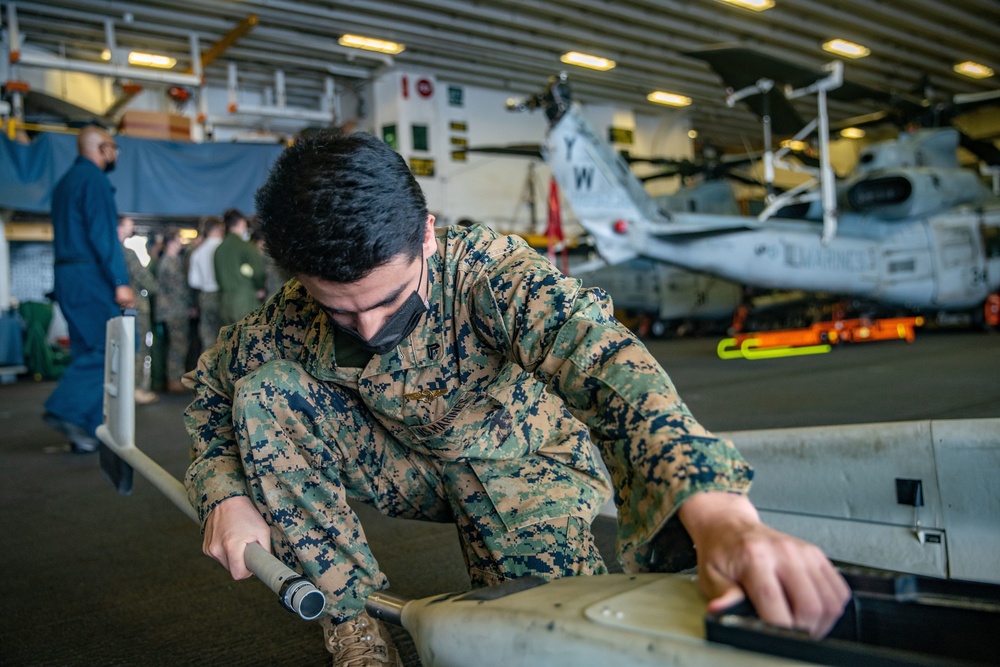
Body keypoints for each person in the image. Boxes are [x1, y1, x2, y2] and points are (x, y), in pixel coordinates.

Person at [183, 131, 848, 666]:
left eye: (390, 301)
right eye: (341, 311)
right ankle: (352, 620)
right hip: (408, 460)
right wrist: (227, 494)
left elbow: (612, 368)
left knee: (549, 639)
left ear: (429, 237)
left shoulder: (494, 274)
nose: (369, 329)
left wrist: (725, 517)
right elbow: (214, 387)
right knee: (264, 393)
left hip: (520, 462)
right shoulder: (292, 314)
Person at [44, 125, 134, 453]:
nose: (115, 155)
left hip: (67, 275)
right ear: (101, 148)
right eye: (113, 148)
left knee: (86, 349)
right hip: (90, 275)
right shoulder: (94, 180)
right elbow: (102, 235)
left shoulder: (64, 183)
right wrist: (120, 281)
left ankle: (87, 428)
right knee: (109, 348)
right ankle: (65, 409)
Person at [117, 215, 158, 405]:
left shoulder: (106, 251)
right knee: (138, 347)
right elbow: (143, 277)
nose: (130, 230)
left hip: (115, 308)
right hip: (133, 306)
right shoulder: (126, 252)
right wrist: (156, 288)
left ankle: (121, 388)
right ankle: (136, 389)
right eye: (127, 226)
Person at [156, 229, 194, 393]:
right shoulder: (170, 263)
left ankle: (175, 378)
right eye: (178, 240)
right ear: (171, 242)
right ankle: (174, 380)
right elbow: (178, 290)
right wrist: (190, 305)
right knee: (178, 346)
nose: (181, 243)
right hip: (175, 310)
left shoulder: (170, 261)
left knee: (177, 345)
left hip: (173, 309)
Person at [213, 208, 265, 326]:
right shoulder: (246, 247)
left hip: (225, 304)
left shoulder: (219, 250)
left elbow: (218, 278)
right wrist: (259, 287)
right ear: (242, 222)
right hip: (246, 302)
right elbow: (258, 273)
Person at [187, 216, 224, 354]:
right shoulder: (223, 248)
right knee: (224, 336)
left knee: (207, 337)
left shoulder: (198, 252)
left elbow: (193, 281)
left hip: (205, 296)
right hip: (221, 295)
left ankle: (207, 372)